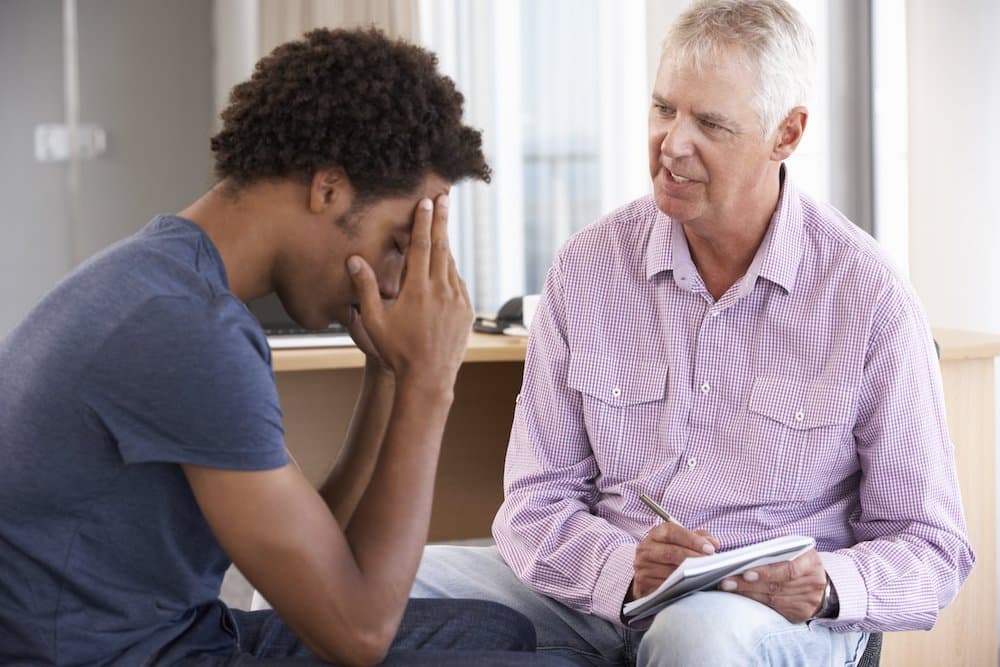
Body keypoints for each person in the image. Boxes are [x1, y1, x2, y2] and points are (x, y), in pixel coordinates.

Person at [412, 1, 974, 665]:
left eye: (709, 122)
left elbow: (932, 547)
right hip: (605, 594)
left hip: (769, 618)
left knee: (694, 638)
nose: (672, 142)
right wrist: (626, 569)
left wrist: (827, 585)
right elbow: (535, 501)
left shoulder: (869, 296)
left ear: (786, 133)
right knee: (371, 590)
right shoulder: (588, 268)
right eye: (663, 109)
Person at [0, 28, 572, 666]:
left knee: (501, 633)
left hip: (177, 635)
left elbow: (322, 560)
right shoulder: (187, 332)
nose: (393, 281)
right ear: (328, 189)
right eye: (396, 243)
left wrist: (386, 374)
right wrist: (428, 382)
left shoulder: (167, 278)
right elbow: (356, 634)